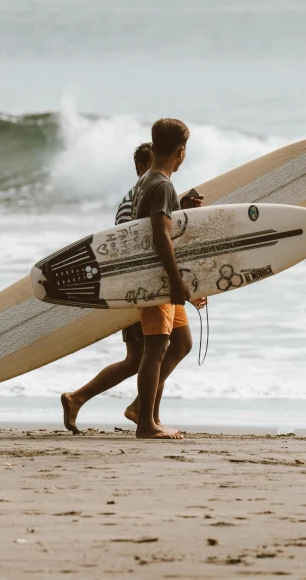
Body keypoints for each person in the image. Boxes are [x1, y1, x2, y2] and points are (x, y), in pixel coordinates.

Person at [60, 138, 203, 435]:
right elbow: (139, 245)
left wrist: (181, 209)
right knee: (144, 356)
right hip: (142, 285)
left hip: (161, 283)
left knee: (178, 345)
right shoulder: (131, 201)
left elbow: (168, 234)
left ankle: (144, 411)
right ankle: (88, 400)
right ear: (140, 166)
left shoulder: (158, 193)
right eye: (149, 163)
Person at [129, 118, 202, 439]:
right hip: (156, 278)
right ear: (181, 152)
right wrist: (175, 281)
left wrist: (180, 209)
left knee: (181, 342)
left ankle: (148, 416)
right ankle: (146, 424)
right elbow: (160, 236)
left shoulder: (148, 181)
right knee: (156, 348)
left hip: (158, 275)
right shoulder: (161, 185)